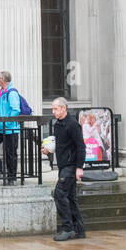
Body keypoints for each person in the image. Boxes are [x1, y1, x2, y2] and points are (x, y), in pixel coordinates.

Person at [45, 97, 86, 241]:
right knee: (70, 197)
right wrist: (49, 150)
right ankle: (79, 230)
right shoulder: (58, 125)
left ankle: (68, 228)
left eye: (56, 109)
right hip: (63, 165)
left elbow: (81, 146)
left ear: (64, 108)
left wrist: (79, 167)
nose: (54, 111)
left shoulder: (72, 124)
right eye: (53, 109)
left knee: (59, 194)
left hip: (71, 166)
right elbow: (61, 144)